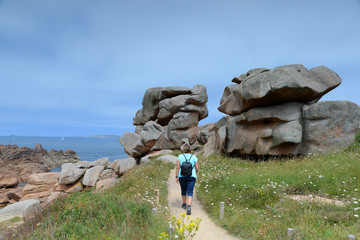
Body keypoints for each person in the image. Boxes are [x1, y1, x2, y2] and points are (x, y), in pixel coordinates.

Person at [175, 141, 199, 215]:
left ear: (183, 149)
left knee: (183, 190)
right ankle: (189, 206)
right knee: (190, 191)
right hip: (192, 176)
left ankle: (184, 204)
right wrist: (195, 173)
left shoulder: (180, 156)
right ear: (190, 149)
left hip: (182, 176)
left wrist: (176, 176)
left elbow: (178, 167)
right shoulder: (194, 157)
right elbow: (197, 168)